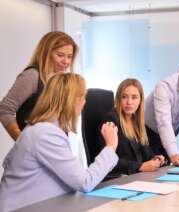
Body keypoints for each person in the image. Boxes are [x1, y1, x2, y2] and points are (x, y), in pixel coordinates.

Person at [0, 73, 119, 211]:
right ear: (71, 100)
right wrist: (110, 146)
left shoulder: (42, 128)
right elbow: (85, 182)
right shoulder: (46, 134)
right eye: (82, 97)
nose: (84, 103)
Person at [0, 31, 78, 141]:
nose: (66, 61)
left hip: (54, 147)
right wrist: (21, 140)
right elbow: (4, 110)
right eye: (60, 55)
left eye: (69, 57)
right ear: (45, 53)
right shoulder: (32, 75)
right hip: (35, 149)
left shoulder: (60, 79)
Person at [100, 79, 165, 176]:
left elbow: (144, 153)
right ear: (118, 99)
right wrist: (140, 166)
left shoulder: (136, 120)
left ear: (140, 100)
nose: (129, 102)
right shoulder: (111, 121)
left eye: (134, 97)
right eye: (124, 97)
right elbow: (108, 159)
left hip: (136, 176)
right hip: (118, 178)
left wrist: (155, 159)